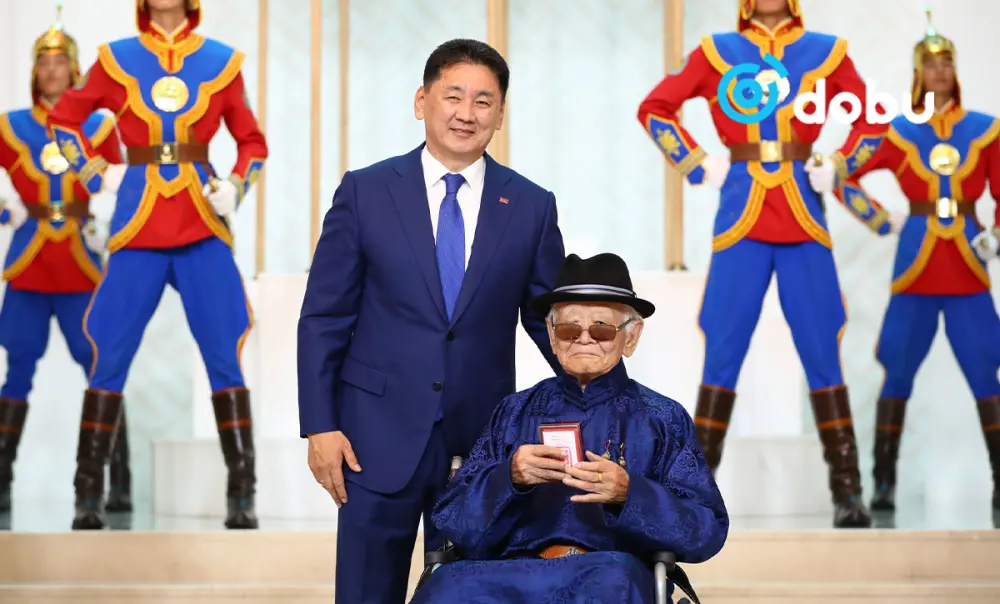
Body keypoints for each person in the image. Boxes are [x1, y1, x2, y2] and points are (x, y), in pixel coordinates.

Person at [298, 38, 565, 603]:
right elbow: (324, 316)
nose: (467, 113)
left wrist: (601, 392)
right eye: (453, 96)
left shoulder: (531, 205)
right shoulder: (366, 191)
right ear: (422, 101)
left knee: (471, 594)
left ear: (500, 115)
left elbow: (550, 323)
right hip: (372, 439)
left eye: (484, 102)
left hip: (481, 448)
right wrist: (320, 426)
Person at [636, 0, 885, 528]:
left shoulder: (826, 52)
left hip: (804, 216)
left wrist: (841, 164)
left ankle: (849, 491)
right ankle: (693, 493)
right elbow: (655, 108)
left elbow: (873, 121)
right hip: (741, 218)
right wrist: (695, 161)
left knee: (822, 347)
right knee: (722, 350)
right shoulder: (717, 51)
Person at [46, 0, 268, 531]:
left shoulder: (222, 61)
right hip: (137, 224)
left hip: (201, 222)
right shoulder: (115, 58)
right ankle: (88, 492)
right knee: (108, 353)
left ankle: (242, 493)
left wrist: (236, 186)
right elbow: (64, 121)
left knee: (224, 352)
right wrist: (95, 173)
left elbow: (252, 143)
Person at [410, 253, 728, 604]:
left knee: (614, 581)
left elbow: (706, 529)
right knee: (446, 586)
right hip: (510, 573)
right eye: (569, 329)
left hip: (606, 572)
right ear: (552, 335)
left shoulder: (662, 418)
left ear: (631, 337)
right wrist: (508, 477)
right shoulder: (514, 412)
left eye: (602, 329)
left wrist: (631, 494)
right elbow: (452, 520)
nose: (584, 340)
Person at [832, 12, 1000, 514]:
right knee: (898, 371)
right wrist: (881, 218)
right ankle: (883, 482)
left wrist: (996, 235)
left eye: (947, 62)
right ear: (917, 73)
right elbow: (841, 174)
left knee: (985, 372)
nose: (940, 71)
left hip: (968, 265)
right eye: (931, 64)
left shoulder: (986, 130)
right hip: (915, 268)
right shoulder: (898, 132)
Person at [0, 3, 126, 514]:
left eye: (59, 62)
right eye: (43, 62)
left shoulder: (98, 126)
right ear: (35, 70)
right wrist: (5, 208)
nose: (51, 70)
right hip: (29, 264)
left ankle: (115, 481)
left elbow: (124, 182)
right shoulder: (10, 126)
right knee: (17, 368)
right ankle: (1, 479)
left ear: (74, 70)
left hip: (81, 264)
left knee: (101, 368)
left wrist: (110, 227)